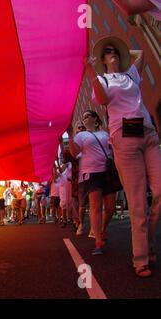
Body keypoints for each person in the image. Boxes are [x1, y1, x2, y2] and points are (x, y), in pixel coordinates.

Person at [86, 36, 161, 276]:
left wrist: (124, 51)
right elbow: (104, 100)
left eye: (115, 51)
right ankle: (141, 259)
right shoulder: (102, 79)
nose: (113, 53)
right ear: (103, 61)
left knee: (160, 191)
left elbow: (143, 55)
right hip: (124, 135)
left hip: (148, 133)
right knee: (138, 200)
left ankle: (146, 244)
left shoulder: (131, 75)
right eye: (108, 52)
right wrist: (91, 69)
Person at [68, 110, 117, 256]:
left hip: (108, 173)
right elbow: (74, 153)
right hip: (91, 173)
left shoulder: (105, 134)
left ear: (95, 119)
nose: (84, 119)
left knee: (110, 208)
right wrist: (70, 136)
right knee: (96, 207)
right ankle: (98, 242)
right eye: (83, 117)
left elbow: (113, 149)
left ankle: (101, 230)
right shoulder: (81, 135)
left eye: (87, 116)